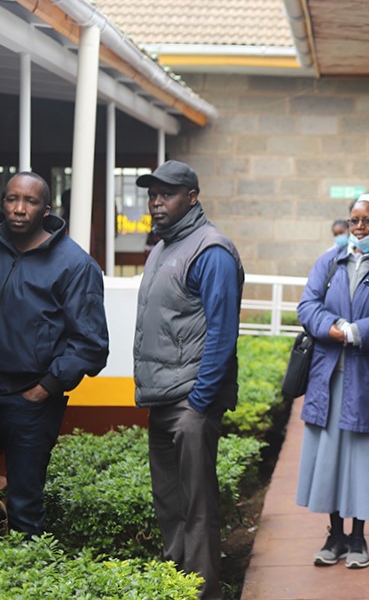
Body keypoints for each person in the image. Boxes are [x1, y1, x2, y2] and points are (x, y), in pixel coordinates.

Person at [133, 160, 244, 600]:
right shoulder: (163, 247)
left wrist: (200, 401)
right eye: (152, 194)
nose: (156, 202)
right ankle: (176, 584)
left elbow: (222, 332)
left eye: (167, 194)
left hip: (190, 403)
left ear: (192, 197)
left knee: (196, 507)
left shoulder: (211, 250)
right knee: (169, 502)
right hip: (161, 399)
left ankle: (202, 592)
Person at [296, 193, 369, 570]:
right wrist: (333, 328)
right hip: (329, 377)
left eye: (368, 221)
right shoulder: (329, 261)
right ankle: (334, 535)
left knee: (362, 458)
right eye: (354, 220)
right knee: (330, 457)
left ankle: (359, 535)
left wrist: (357, 332)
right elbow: (307, 304)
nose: (359, 228)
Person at [0, 172, 109, 536]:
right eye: (12, 199)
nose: (18, 209)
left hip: (29, 400)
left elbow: (91, 344)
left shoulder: (75, 265)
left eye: (29, 202)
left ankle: (24, 584)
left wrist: (44, 388)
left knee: (24, 504)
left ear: (46, 210)